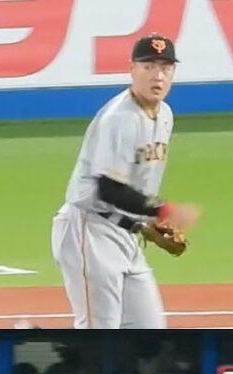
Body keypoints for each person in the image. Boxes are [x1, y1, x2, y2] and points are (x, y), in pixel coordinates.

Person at [51, 34, 200, 329]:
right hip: (89, 230)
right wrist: (164, 210)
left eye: (166, 67)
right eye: (149, 66)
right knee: (99, 332)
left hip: (125, 234)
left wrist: (147, 224)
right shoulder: (119, 118)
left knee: (151, 330)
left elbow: (134, 185)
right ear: (132, 69)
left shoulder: (165, 115)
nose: (158, 75)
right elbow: (109, 189)